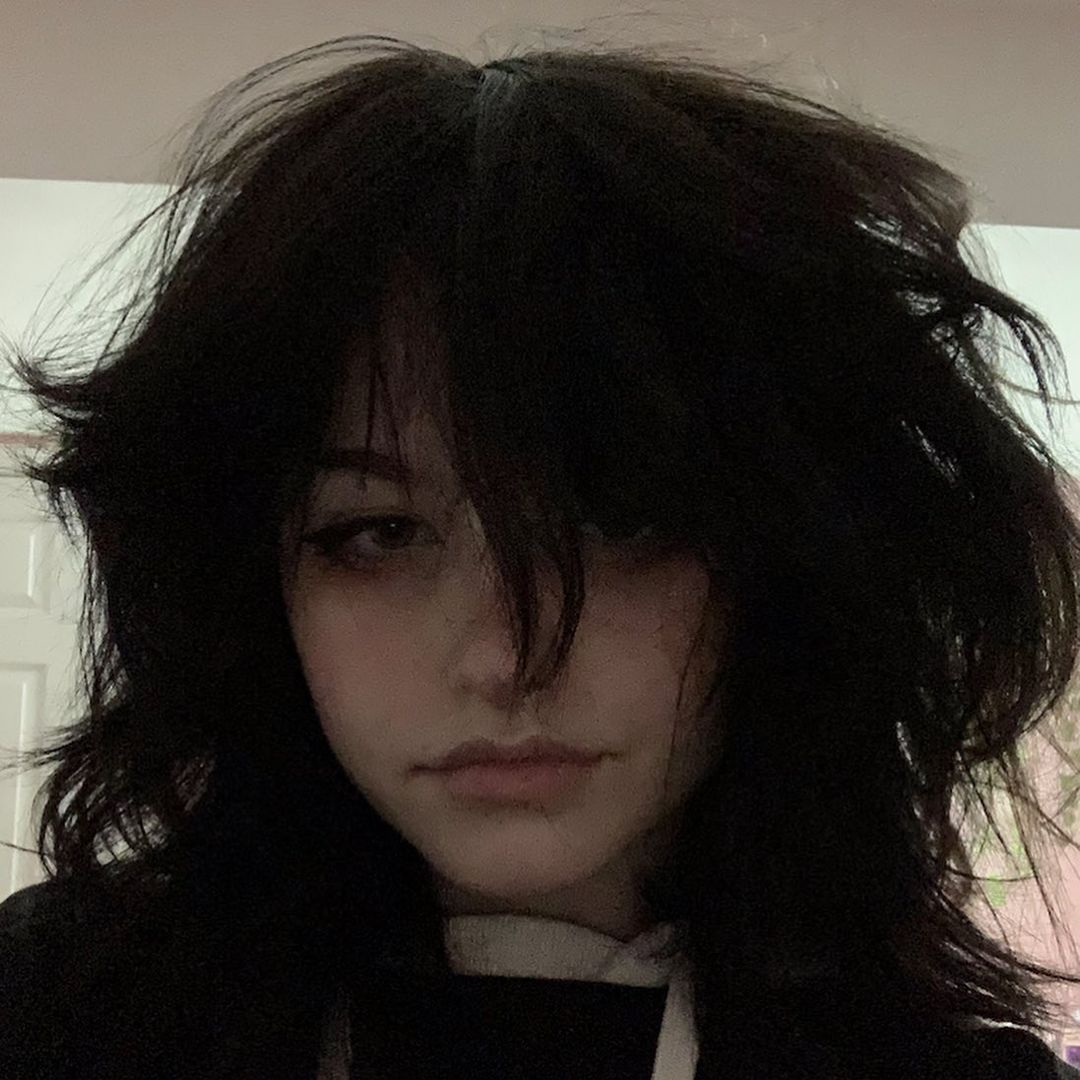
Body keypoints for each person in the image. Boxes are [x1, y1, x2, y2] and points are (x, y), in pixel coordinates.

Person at [1, 31, 1078, 1080]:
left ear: (790, 555)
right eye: (377, 533)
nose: (505, 657)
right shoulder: (58, 1011)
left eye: (619, 517)